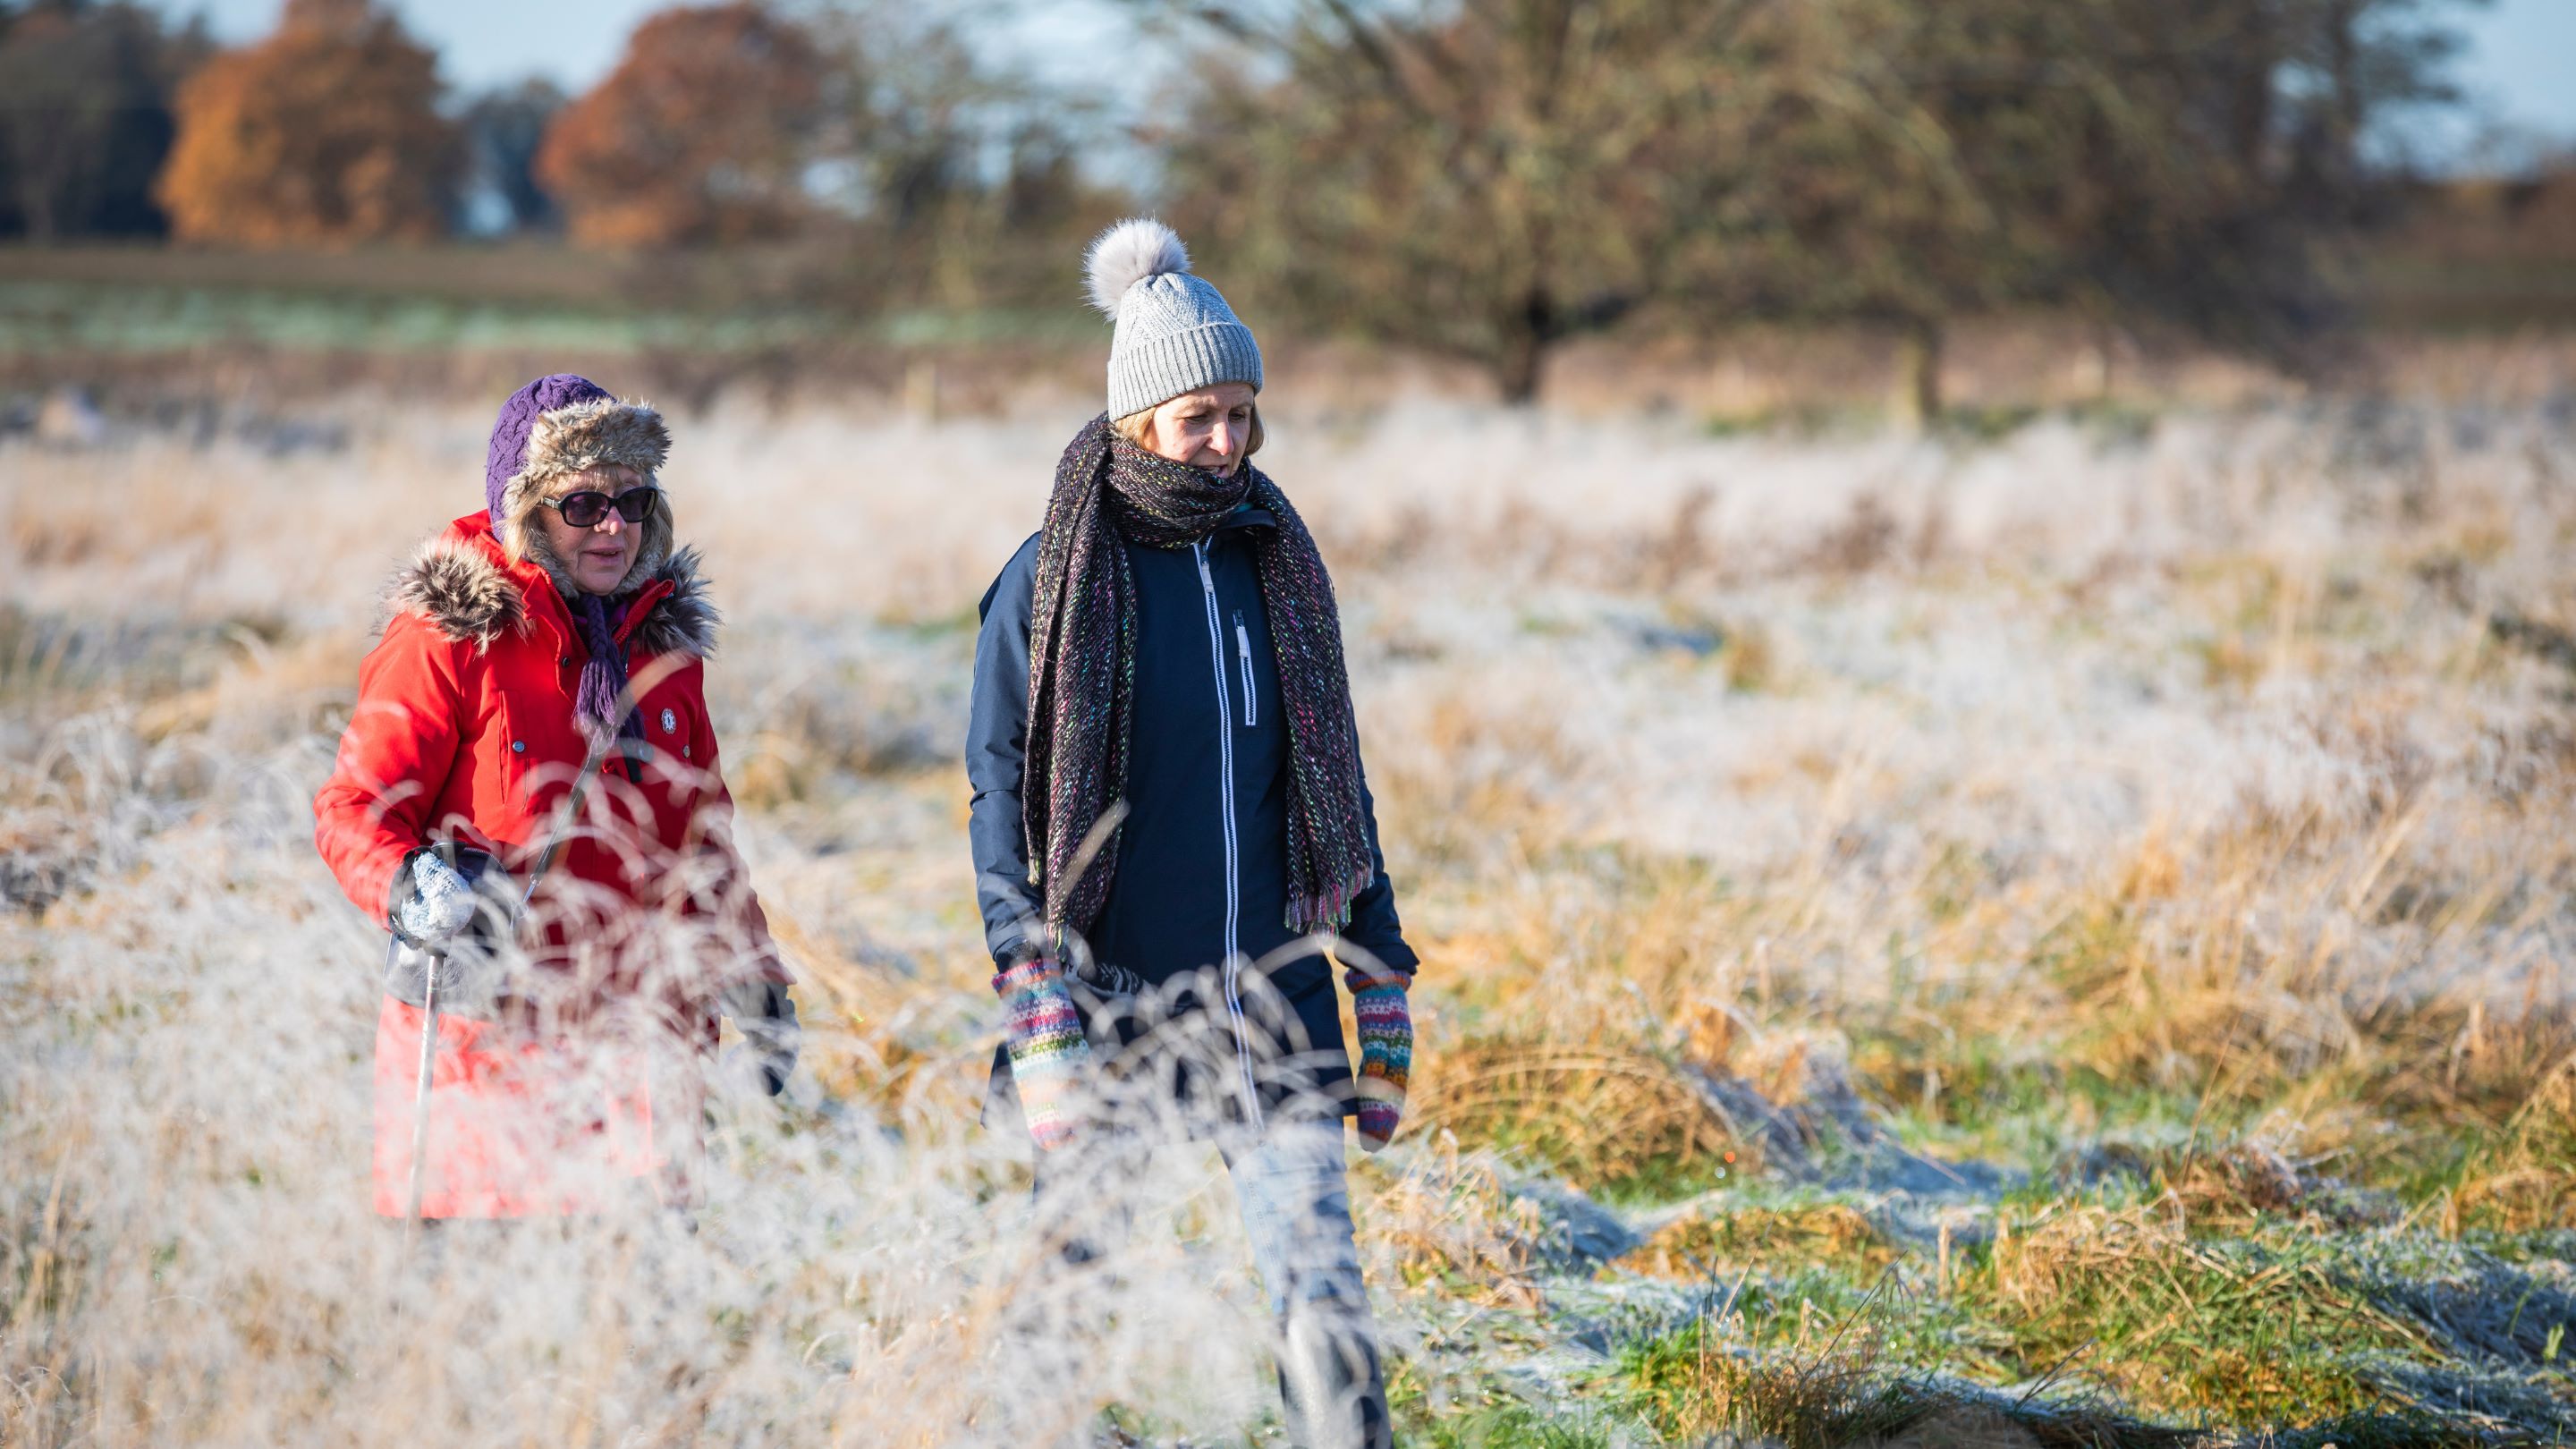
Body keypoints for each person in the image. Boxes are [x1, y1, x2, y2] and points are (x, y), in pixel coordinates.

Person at [966, 220, 1418, 1449]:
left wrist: (1377, 979)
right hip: (1111, 1007)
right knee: (1072, 1294)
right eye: (1197, 418)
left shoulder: (1277, 565)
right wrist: (1033, 989)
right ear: (1136, 423)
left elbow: (1336, 782)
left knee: (1325, 1301)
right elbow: (1001, 798)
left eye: (1242, 414)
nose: (1226, 444)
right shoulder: (1049, 581)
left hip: (1273, 1010)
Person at [313, 373, 796, 1223]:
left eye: (634, 501)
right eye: (583, 505)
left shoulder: (664, 652)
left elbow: (705, 843)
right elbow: (355, 807)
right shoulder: (451, 639)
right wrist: (406, 887)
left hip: (648, 1088)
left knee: (635, 1340)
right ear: (527, 509)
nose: (614, 525)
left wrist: (755, 980)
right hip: (490, 1086)